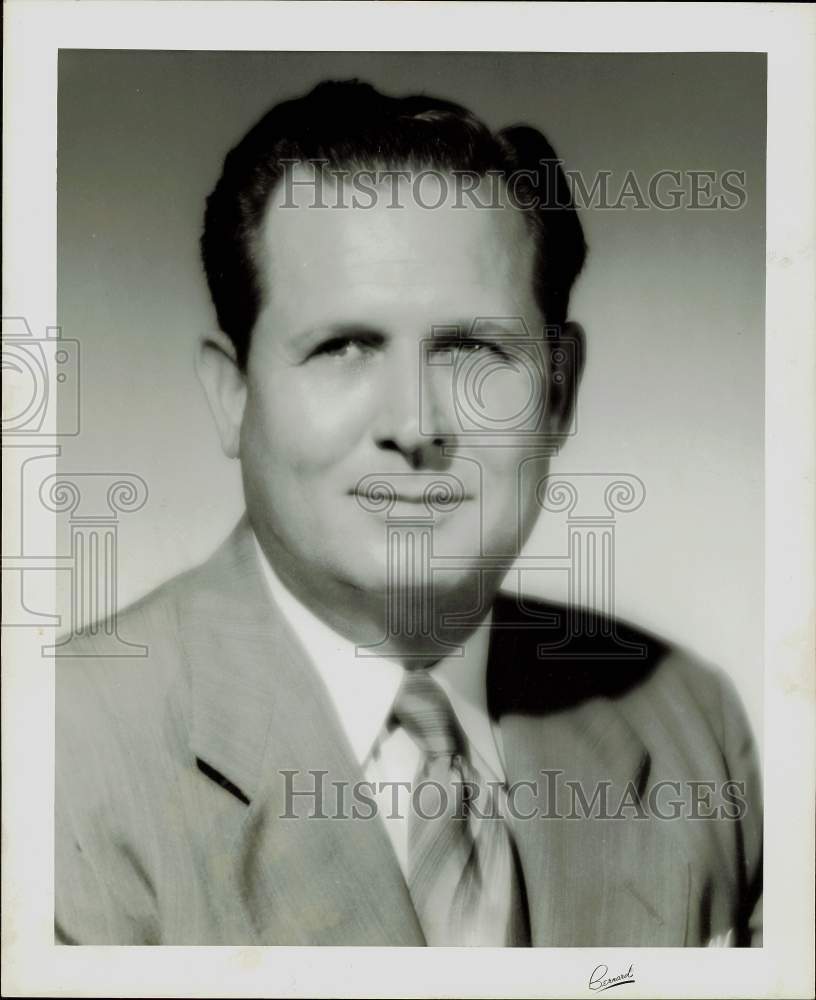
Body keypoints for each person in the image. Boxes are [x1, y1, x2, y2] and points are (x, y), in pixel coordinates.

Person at [55, 80, 762, 946]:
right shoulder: (55, 752)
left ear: (559, 390)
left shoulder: (692, 725)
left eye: (473, 349)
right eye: (344, 347)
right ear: (232, 396)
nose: (416, 426)